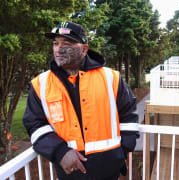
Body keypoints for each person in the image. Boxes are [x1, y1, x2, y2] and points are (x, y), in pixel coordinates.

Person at [23, 21, 139, 180]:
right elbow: (35, 125)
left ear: (84, 50)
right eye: (56, 43)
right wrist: (60, 152)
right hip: (70, 172)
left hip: (109, 169)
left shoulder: (111, 77)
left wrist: (121, 152)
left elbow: (129, 115)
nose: (59, 49)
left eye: (66, 43)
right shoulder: (40, 84)